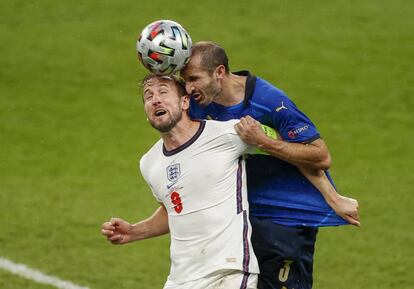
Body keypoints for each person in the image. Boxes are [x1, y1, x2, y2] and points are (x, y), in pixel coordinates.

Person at [180, 41, 360, 289]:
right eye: (185, 80)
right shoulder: (199, 103)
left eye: (194, 79)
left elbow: (319, 156)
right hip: (241, 218)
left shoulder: (270, 101)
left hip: (286, 219)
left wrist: (264, 142)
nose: (188, 89)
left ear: (219, 72)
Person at [101, 74, 259, 289]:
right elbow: (174, 210)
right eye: (148, 96)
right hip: (181, 279)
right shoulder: (150, 163)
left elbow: (280, 141)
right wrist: (134, 231)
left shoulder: (227, 134)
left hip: (227, 271)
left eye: (163, 92)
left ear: (185, 102)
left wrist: (269, 140)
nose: (155, 99)